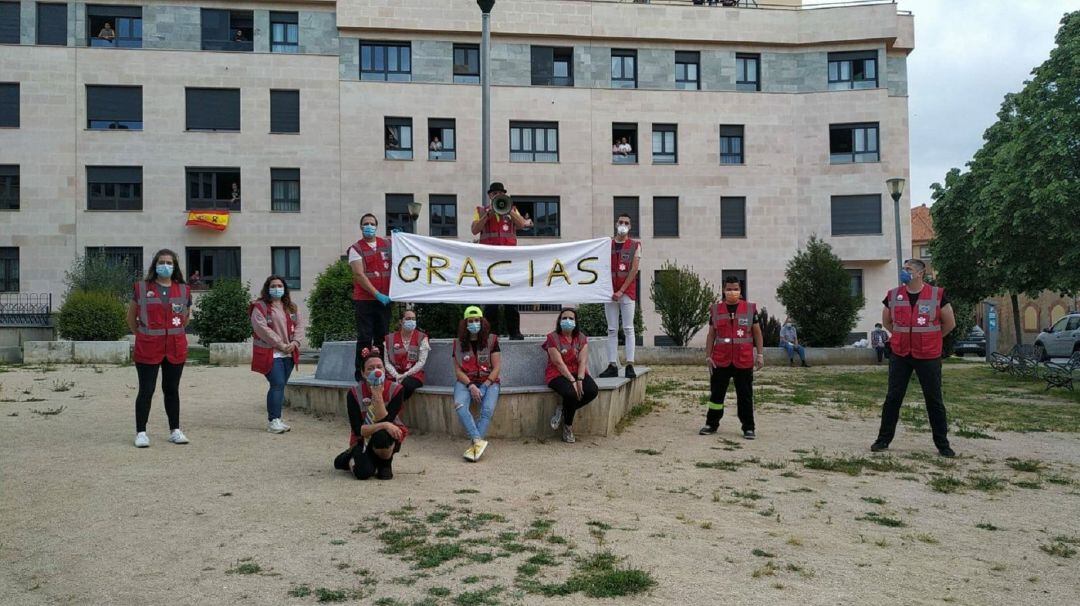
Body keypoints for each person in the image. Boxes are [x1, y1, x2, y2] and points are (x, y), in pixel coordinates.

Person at [872, 259, 957, 457]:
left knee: (934, 400)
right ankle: (883, 440)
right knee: (893, 398)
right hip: (901, 354)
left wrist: (931, 338)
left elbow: (949, 324)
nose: (904, 272)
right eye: (904, 269)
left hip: (928, 355)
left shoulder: (937, 295)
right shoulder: (893, 295)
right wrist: (903, 336)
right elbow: (887, 321)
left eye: (908, 269)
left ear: (920, 273)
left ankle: (943, 445)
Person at [127, 249, 192, 448]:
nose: (166, 266)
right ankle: (141, 432)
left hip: (175, 348)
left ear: (175, 267)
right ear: (155, 265)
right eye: (162, 262)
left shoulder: (183, 289)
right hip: (148, 348)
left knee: (171, 390)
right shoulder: (141, 288)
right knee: (146, 390)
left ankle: (175, 430)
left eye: (169, 263)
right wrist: (142, 335)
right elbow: (131, 317)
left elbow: (186, 318)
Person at [700, 276, 764, 439]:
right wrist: (708, 356)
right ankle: (711, 424)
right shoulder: (715, 309)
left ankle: (748, 427)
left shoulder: (750, 309)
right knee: (716, 395)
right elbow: (711, 335)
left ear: (740, 290)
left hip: (743, 360)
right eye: (729, 289)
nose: (732, 292)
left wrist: (760, 355)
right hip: (720, 360)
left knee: (745, 396)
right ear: (723, 290)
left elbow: (757, 333)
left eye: (735, 289)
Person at [332, 346, 407, 480]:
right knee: (363, 473)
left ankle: (385, 464)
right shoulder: (354, 393)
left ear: (385, 370)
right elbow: (357, 430)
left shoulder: (396, 390)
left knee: (383, 435)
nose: (376, 371)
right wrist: (384, 425)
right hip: (363, 439)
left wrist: (377, 397)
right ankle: (349, 457)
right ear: (363, 373)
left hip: (388, 437)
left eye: (379, 367)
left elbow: (388, 419)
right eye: (370, 368)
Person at [472, 182, 531, 339]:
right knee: (491, 301)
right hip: (489, 260)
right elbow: (474, 230)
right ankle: (491, 333)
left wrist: (510, 211)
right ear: (489, 196)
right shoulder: (481, 210)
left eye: (500, 193)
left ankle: (514, 332)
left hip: (508, 260)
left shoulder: (511, 209)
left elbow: (522, 224)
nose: (497, 195)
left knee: (511, 298)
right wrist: (487, 215)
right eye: (494, 193)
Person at [250, 275, 302, 434]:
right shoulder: (260, 307)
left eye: (280, 285)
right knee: (277, 383)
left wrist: (295, 343)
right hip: (271, 353)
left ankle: (277, 419)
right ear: (267, 288)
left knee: (280, 386)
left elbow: (300, 326)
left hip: (289, 353)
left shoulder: (291, 307)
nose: (277, 288)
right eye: (273, 286)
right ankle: (273, 420)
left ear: (285, 288)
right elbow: (262, 329)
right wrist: (281, 344)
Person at [452, 306, 502, 462]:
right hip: (466, 381)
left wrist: (485, 385)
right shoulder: (458, 343)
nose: (474, 324)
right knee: (459, 405)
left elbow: (497, 367)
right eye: (470, 321)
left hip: (489, 381)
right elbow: (458, 371)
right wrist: (471, 386)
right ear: (465, 324)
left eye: (477, 320)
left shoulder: (492, 340)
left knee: (487, 410)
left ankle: (475, 446)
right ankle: (477, 440)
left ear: (482, 322)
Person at [348, 213, 392, 381]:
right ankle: (361, 373)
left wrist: (401, 237)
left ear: (376, 226)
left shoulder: (386, 244)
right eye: (365, 224)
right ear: (361, 227)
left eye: (372, 223)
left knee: (382, 337)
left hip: (385, 301)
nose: (369, 226)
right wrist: (377, 294)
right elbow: (359, 275)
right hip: (365, 301)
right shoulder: (356, 249)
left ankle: (380, 371)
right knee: (365, 338)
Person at [544, 308, 599, 444]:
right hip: (557, 373)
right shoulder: (553, 337)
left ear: (575, 321)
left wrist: (580, 378)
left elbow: (582, 360)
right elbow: (558, 362)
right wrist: (572, 381)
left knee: (592, 390)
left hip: (577, 371)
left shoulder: (581, 338)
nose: (567, 321)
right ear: (559, 321)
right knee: (571, 394)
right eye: (564, 318)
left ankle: (563, 410)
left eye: (571, 318)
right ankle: (568, 427)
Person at [599, 213, 640, 379]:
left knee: (628, 328)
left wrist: (621, 291)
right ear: (616, 224)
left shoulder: (635, 245)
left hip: (626, 292)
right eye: (621, 222)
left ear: (630, 227)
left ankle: (630, 364)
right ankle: (612, 365)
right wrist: (609, 290)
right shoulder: (606, 244)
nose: (623, 225)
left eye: (626, 223)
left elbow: (634, 270)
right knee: (611, 329)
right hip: (609, 292)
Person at [383, 308, 429, 402]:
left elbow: (421, 362)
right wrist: (396, 375)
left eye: (413, 319)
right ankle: (391, 413)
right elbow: (386, 362)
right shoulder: (389, 339)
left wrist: (405, 375)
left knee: (405, 386)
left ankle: (387, 411)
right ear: (401, 321)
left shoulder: (422, 337)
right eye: (408, 319)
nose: (411, 321)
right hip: (393, 374)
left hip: (414, 375)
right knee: (383, 386)